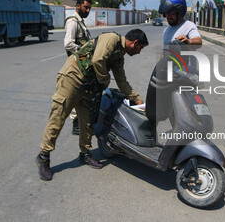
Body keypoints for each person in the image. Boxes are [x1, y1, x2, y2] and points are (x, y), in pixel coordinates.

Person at [36, 29, 148, 181]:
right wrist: (105, 80)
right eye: (140, 48)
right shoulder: (111, 38)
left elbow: (122, 82)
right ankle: (44, 157)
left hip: (89, 85)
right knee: (58, 118)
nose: (139, 52)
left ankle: (85, 154)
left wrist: (138, 100)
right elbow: (97, 60)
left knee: (87, 121)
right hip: (72, 78)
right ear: (135, 43)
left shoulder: (119, 57)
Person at [64, 0, 93, 135]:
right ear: (78, 7)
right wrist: (82, 53)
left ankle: (82, 122)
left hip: (83, 65)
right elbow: (68, 43)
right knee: (77, 93)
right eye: (85, 7)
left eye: (89, 8)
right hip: (76, 64)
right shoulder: (73, 22)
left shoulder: (81, 23)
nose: (87, 10)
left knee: (85, 92)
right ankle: (76, 123)